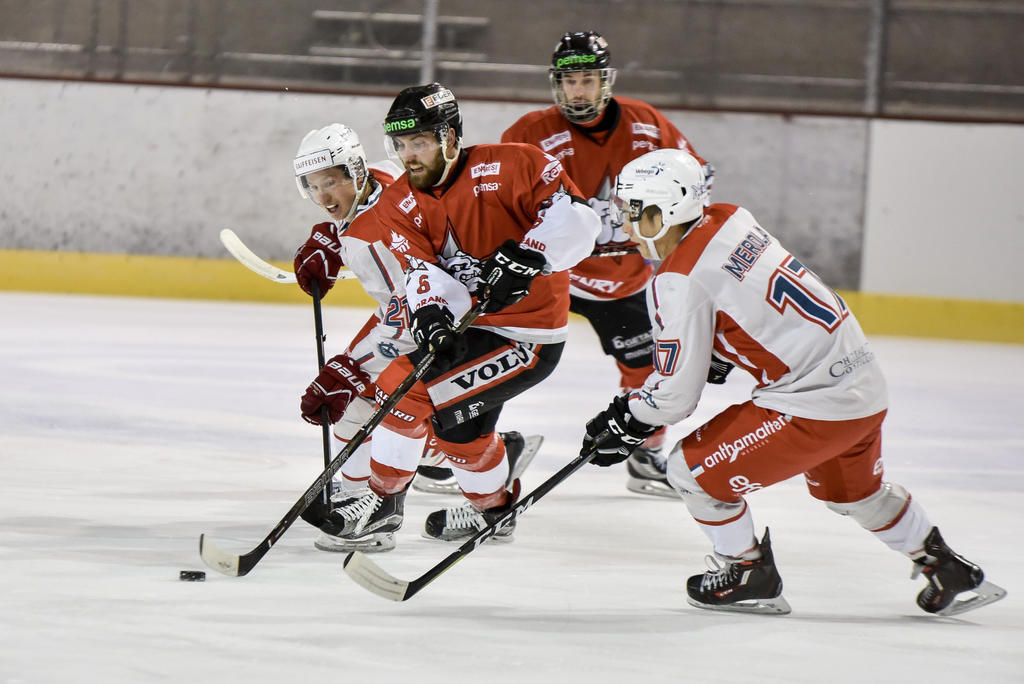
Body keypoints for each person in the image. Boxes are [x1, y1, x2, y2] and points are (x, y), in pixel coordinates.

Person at [580, 148, 1006, 616]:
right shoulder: (730, 219)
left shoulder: (678, 279)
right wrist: (717, 352)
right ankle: (947, 569)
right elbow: (747, 298)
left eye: (635, 211)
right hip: (862, 383)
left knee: (690, 473)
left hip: (816, 403)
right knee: (854, 494)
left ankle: (747, 572)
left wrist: (627, 419)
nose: (624, 225)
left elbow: (675, 397)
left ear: (669, 211)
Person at [299, 82, 601, 550]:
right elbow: (423, 271)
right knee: (462, 437)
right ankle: (495, 512)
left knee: (401, 391)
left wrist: (530, 255)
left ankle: (381, 508)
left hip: (528, 336)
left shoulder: (513, 163)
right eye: (400, 146)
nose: (408, 156)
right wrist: (433, 314)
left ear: (450, 138)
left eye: (418, 143)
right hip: (472, 330)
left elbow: (578, 218)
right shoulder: (402, 200)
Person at [502, 30, 722, 499]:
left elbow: (697, 177)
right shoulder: (528, 134)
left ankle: (647, 456)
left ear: (606, 81)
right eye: (567, 81)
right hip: (547, 274)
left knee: (647, 365)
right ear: (554, 84)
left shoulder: (645, 122)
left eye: (586, 80)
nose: (576, 91)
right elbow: (501, 204)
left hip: (622, 280)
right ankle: (467, 446)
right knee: (491, 357)